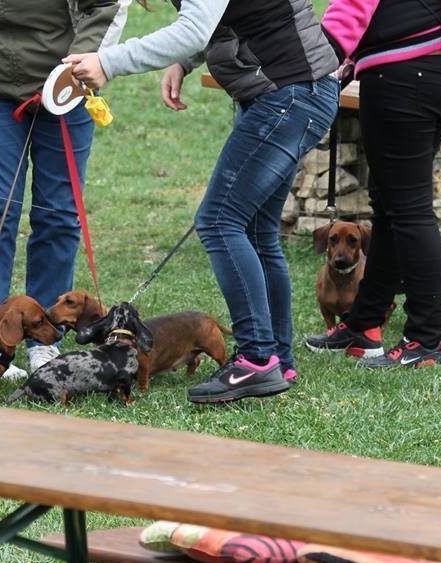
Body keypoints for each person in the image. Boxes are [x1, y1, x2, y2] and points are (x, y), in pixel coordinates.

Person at [65, 0, 339, 401]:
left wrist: (109, 62)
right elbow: (218, 19)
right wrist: (186, 61)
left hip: (290, 94)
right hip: (295, 91)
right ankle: (277, 359)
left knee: (220, 221)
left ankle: (258, 360)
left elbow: (194, 27)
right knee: (257, 231)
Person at [0, 0, 126, 378]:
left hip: (67, 82)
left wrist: (83, 62)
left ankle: (45, 343)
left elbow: (105, 7)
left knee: (58, 213)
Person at [304, 0, 441, 368]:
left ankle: (426, 340)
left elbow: (351, 7)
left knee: (409, 210)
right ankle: (364, 325)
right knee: (391, 205)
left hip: (405, 75)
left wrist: (314, 65)